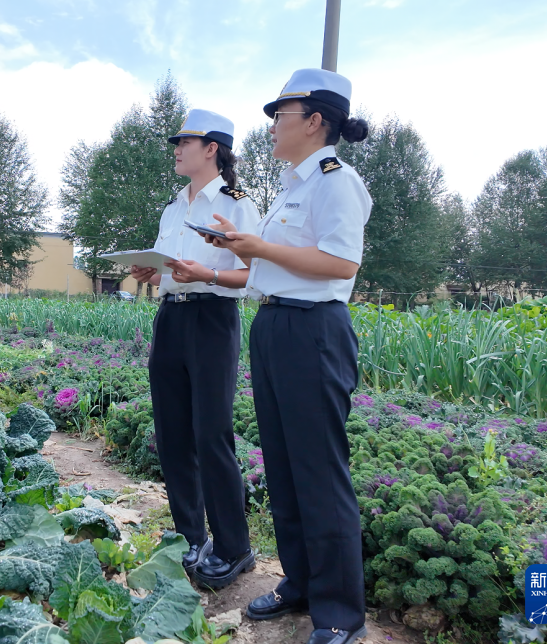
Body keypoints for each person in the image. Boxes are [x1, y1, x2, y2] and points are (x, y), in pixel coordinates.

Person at [201, 69, 371, 644]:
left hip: (314, 331)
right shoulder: (294, 187)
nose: (273, 125)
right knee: (283, 465)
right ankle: (299, 583)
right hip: (274, 324)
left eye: (282, 114)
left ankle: (339, 615)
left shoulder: (335, 181)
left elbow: (341, 265)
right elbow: (274, 263)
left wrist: (259, 245)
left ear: (315, 120)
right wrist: (236, 245)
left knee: (319, 473)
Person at [128, 109, 260, 589]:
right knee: (173, 432)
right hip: (172, 318)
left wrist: (204, 274)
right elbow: (172, 266)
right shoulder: (172, 207)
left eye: (186, 141)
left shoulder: (236, 203)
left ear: (212, 149)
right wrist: (152, 271)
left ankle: (234, 546)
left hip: (212, 319)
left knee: (211, 435)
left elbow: (256, 274)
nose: (177, 149)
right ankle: (189, 535)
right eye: (176, 142)